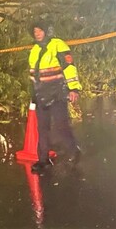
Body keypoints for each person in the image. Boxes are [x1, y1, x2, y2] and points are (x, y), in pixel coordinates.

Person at [28, 20, 82, 173]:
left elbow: (69, 67)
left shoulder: (58, 44)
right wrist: (33, 94)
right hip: (41, 95)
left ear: (47, 30)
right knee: (42, 129)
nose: (37, 33)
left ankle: (74, 151)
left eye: (40, 30)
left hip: (57, 92)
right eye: (35, 31)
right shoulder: (34, 49)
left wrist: (73, 89)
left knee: (61, 126)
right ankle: (43, 160)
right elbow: (33, 75)